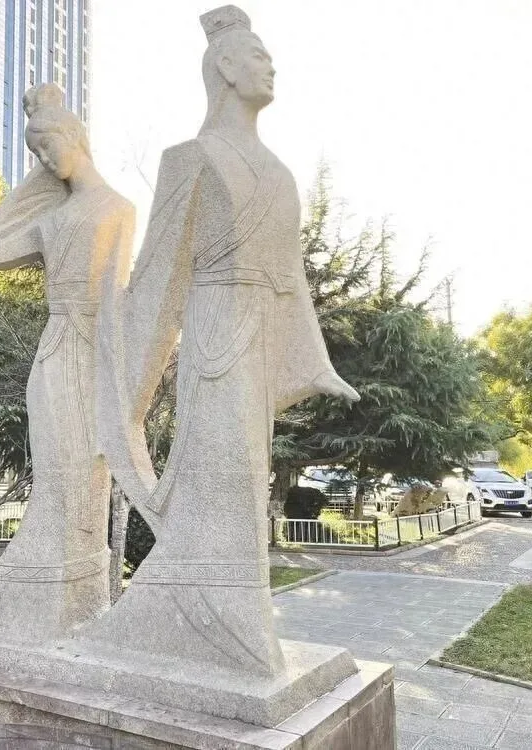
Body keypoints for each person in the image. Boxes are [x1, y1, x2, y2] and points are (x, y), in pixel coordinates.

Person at [87, 5, 358, 674]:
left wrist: (315, 363)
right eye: (260, 56)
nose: (272, 66)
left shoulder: (280, 171)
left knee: (245, 478)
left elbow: (291, 277)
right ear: (226, 68)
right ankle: (218, 620)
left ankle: (212, 613)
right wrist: (127, 394)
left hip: (260, 341)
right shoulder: (191, 158)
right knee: (222, 478)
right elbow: (158, 279)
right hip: (215, 338)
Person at [0, 84, 135, 642]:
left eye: (48, 146)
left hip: (92, 348)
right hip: (53, 351)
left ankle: (75, 582)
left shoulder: (118, 209)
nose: (45, 158)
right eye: (35, 152)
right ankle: (44, 577)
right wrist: (40, 178)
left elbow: (118, 296)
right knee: (57, 463)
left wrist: (121, 377)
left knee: (86, 465)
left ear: (75, 136)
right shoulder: (51, 220)